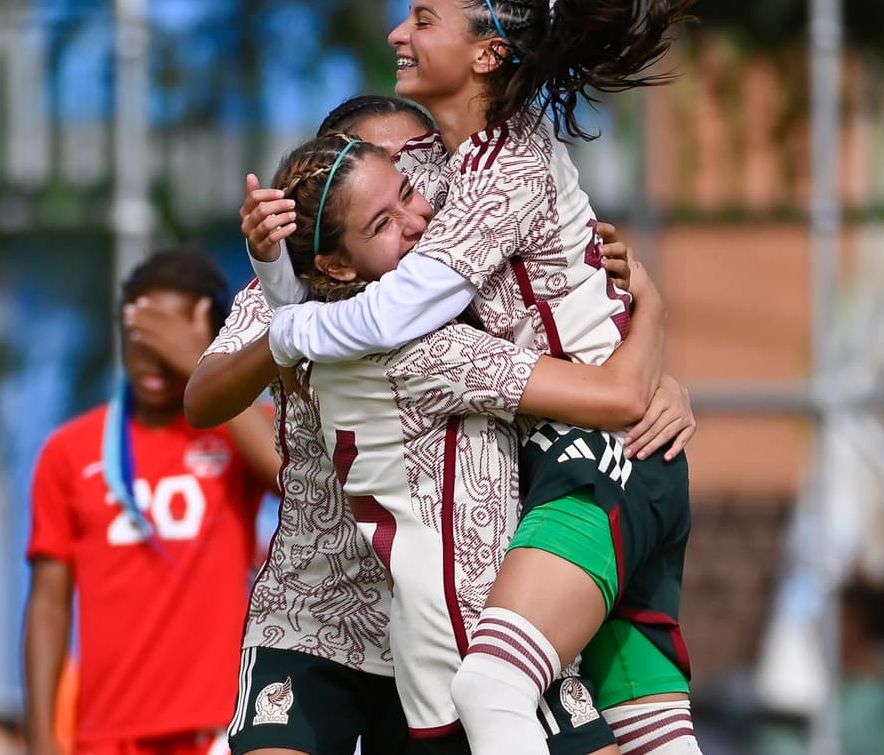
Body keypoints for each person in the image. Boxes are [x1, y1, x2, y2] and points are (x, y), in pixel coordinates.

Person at [249, 0, 703, 755]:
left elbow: (391, 315)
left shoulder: (510, 166)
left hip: (597, 454)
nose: (398, 34)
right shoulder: (452, 165)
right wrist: (276, 256)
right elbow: (350, 254)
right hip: (606, 455)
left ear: (488, 53)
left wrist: (288, 325)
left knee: (491, 688)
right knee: (655, 743)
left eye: (423, 20)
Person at [272, 131, 696, 754]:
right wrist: (651, 310)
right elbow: (618, 397)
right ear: (335, 266)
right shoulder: (425, 351)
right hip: (484, 633)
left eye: (410, 192)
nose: (419, 219)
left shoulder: (326, 338)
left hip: (446, 644)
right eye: (383, 223)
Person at [187, 96, 425, 755]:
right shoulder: (285, 290)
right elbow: (203, 398)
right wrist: (286, 321)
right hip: (311, 605)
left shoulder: (462, 279)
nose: (408, 200)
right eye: (372, 178)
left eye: (411, 172)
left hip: (436, 616)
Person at [23, 248, 281, 755]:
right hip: (107, 735)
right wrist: (40, 738)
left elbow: (289, 475)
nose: (154, 357)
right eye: (142, 337)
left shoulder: (237, 432)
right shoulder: (70, 451)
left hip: (220, 727)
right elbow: (48, 605)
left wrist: (204, 367)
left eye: (173, 340)